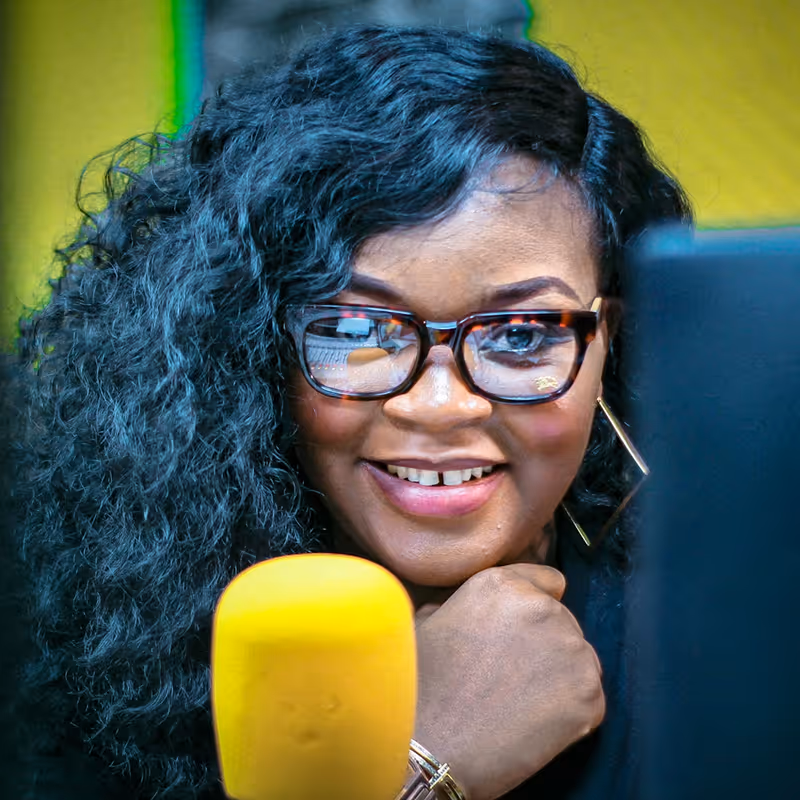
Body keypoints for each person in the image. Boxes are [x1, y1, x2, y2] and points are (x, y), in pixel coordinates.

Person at [0, 24, 692, 800]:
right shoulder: (91, 656)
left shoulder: (724, 647)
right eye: (358, 332)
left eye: (520, 334)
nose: (440, 405)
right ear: (256, 343)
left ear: (612, 342)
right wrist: (427, 764)